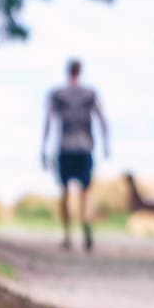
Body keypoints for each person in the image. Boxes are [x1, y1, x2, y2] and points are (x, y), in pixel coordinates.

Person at [42, 58, 109, 251]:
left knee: (64, 191)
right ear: (80, 72)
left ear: (67, 72)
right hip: (85, 146)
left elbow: (48, 120)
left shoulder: (57, 95)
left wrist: (44, 146)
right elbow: (102, 119)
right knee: (85, 192)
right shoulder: (90, 94)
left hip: (65, 147)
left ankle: (67, 234)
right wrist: (105, 144)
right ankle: (85, 221)